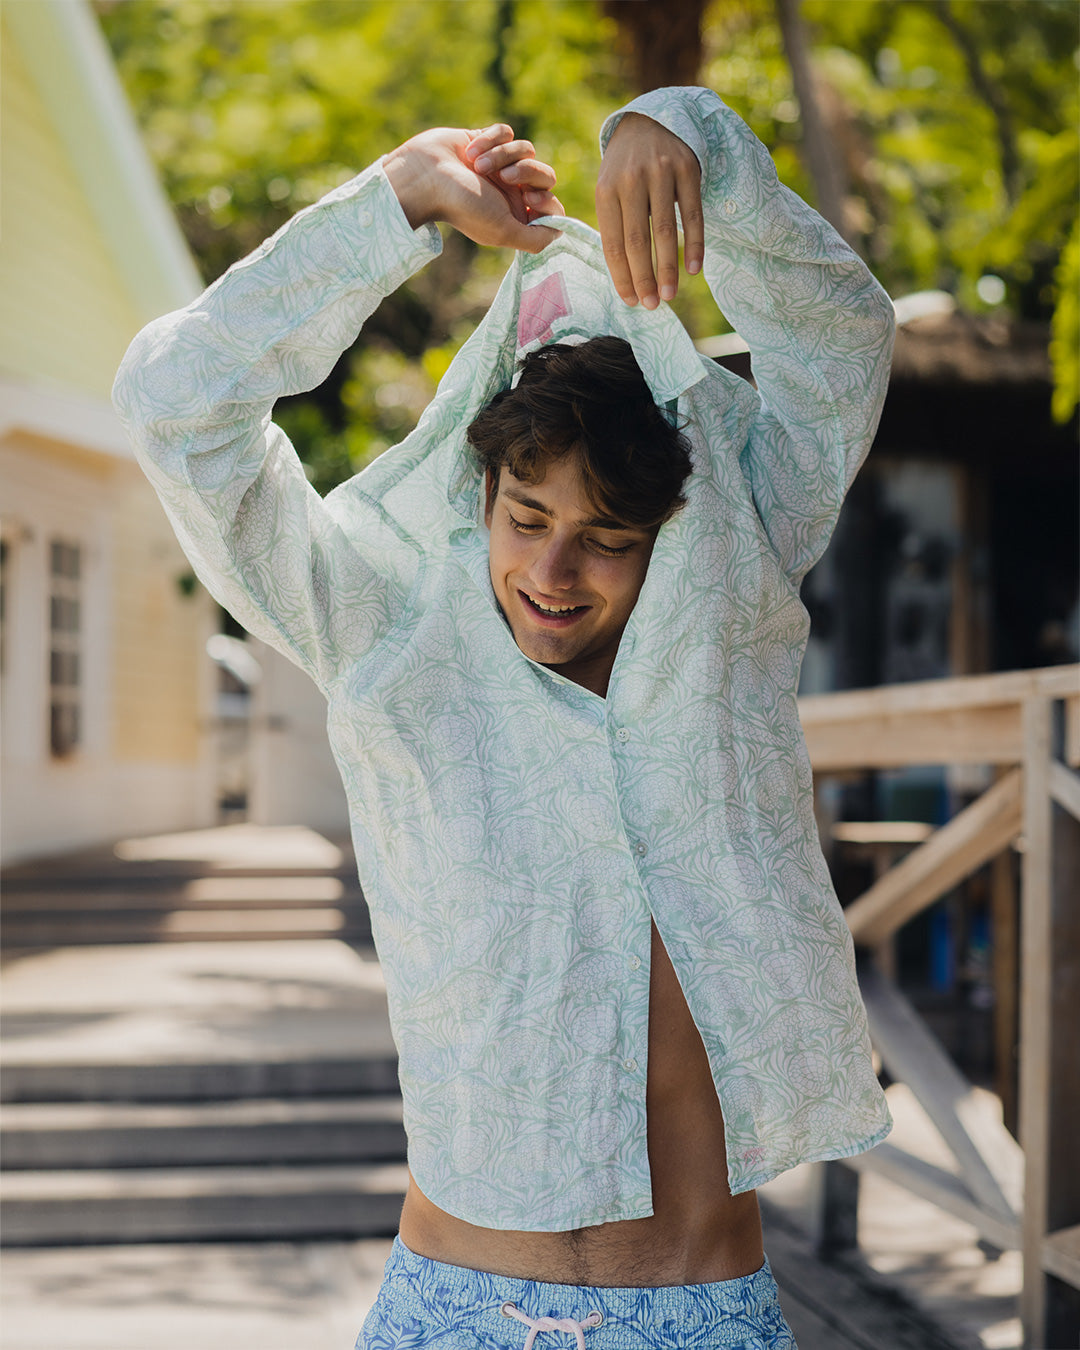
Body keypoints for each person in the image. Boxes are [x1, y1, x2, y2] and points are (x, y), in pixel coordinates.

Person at [114, 84, 895, 1350]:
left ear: (669, 541)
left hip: (703, 1314)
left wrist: (688, 133)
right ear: (481, 494)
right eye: (527, 520)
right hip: (459, 1306)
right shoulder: (383, 626)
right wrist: (397, 207)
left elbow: (843, 337)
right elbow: (175, 407)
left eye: (606, 541)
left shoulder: (737, 576)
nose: (553, 572)